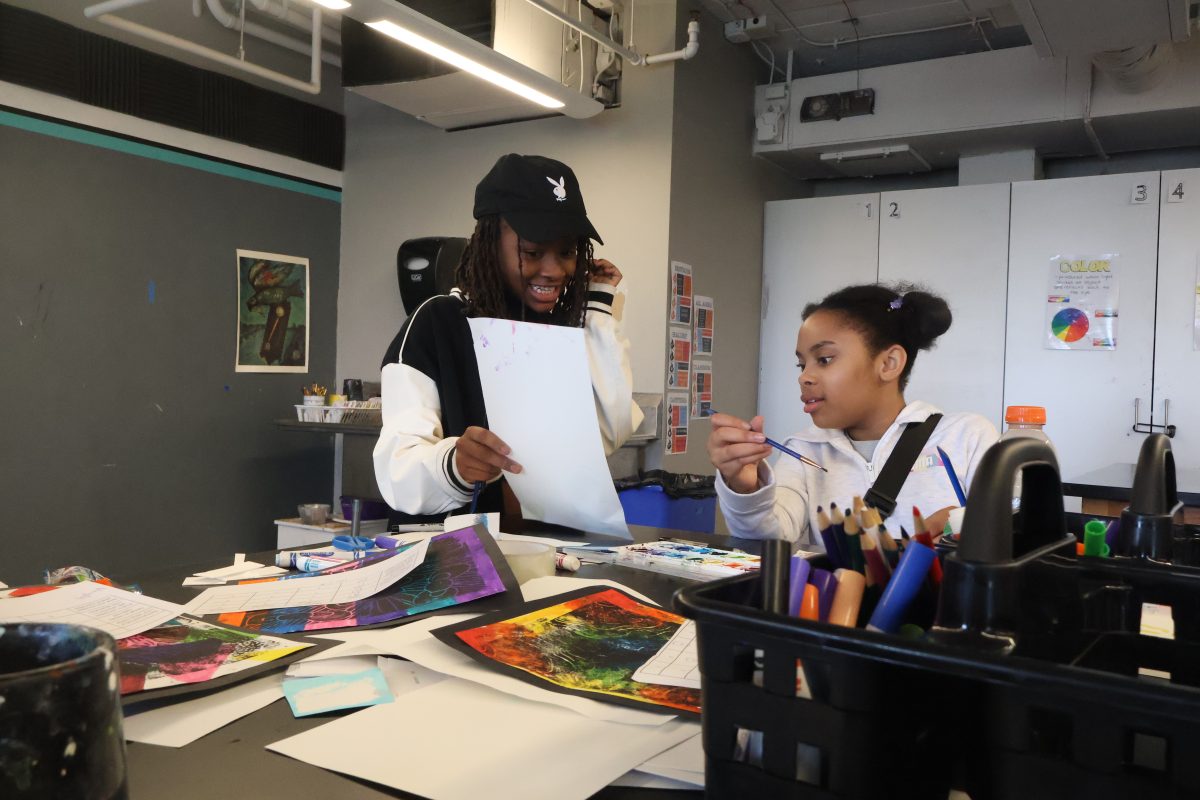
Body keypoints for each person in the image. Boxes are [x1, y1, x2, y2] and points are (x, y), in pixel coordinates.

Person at [374, 153, 642, 517]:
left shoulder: (563, 326)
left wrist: (596, 310)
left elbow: (608, 433)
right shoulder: (437, 324)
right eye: (532, 252)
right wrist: (453, 465)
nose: (553, 270)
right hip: (457, 560)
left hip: (551, 552)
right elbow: (397, 469)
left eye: (566, 252)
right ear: (489, 243)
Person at [707, 283, 998, 545]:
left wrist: (962, 522)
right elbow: (769, 541)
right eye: (801, 365)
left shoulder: (966, 437)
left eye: (824, 359)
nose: (805, 377)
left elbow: (1016, 533)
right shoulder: (804, 450)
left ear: (888, 363)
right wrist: (745, 489)